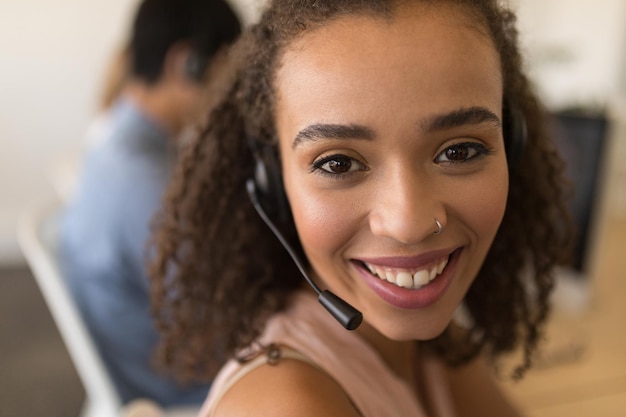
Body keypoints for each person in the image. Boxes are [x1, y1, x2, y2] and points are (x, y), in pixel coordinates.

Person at [149, 0, 573, 415]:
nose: (409, 224)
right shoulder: (286, 406)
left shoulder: (430, 346)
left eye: (460, 151)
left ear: (512, 149)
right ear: (273, 185)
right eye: (338, 163)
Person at [59, 0, 241, 407]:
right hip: (167, 383)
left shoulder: (112, 138)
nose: (226, 97)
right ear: (186, 63)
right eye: (224, 76)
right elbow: (208, 322)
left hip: (135, 355)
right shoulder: (142, 179)